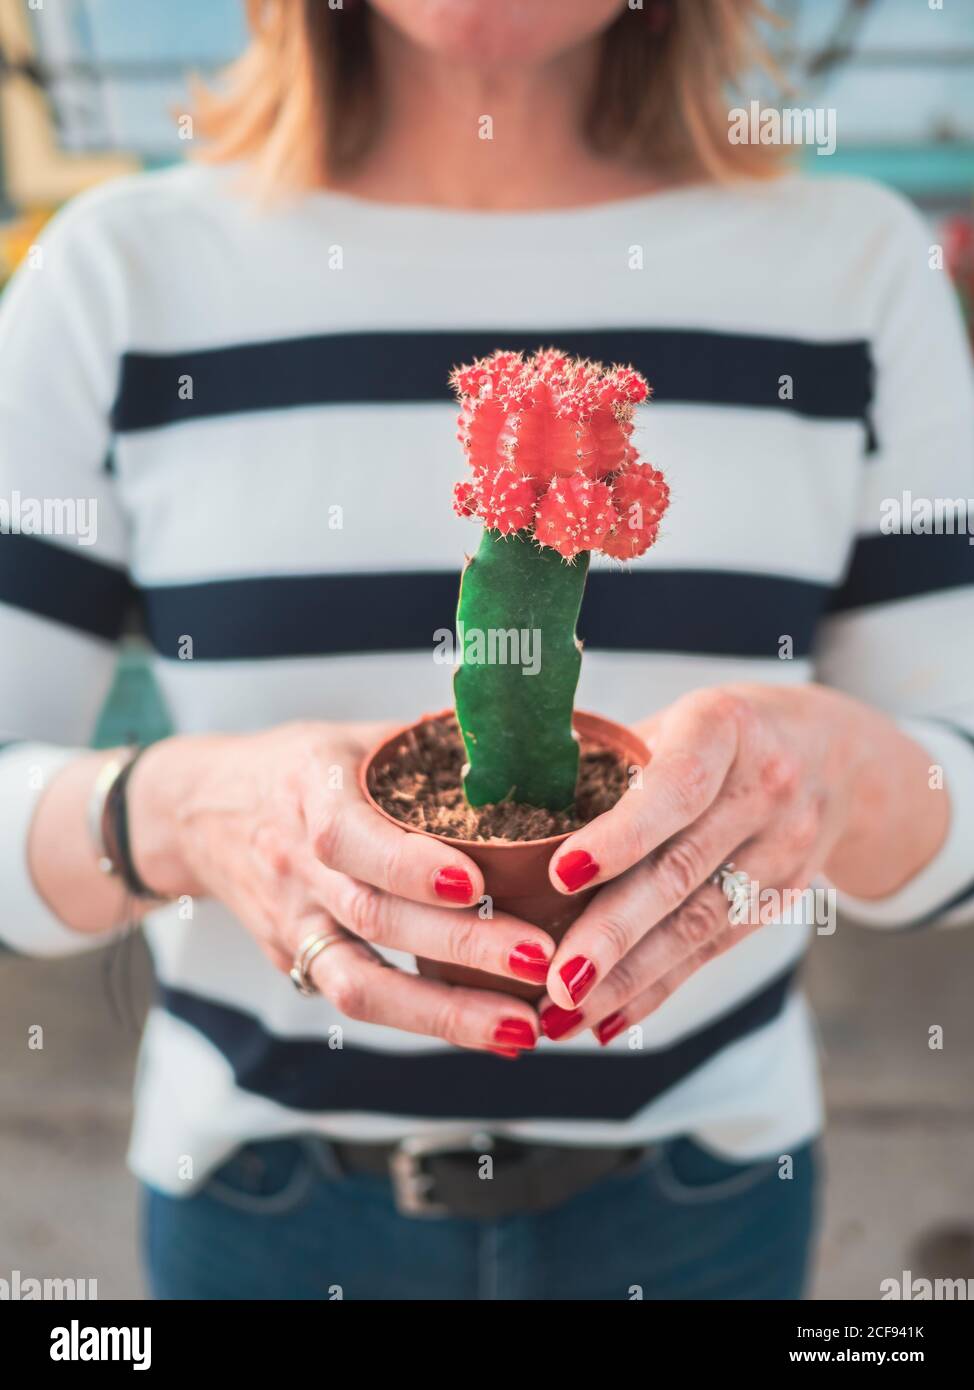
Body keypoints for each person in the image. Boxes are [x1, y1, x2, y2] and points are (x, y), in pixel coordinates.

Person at [2, 0, 972, 1301]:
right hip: (259, 1211)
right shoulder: (110, 273)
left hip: (709, 1201)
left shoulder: (857, 267)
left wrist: (838, 778)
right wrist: (178, 810)